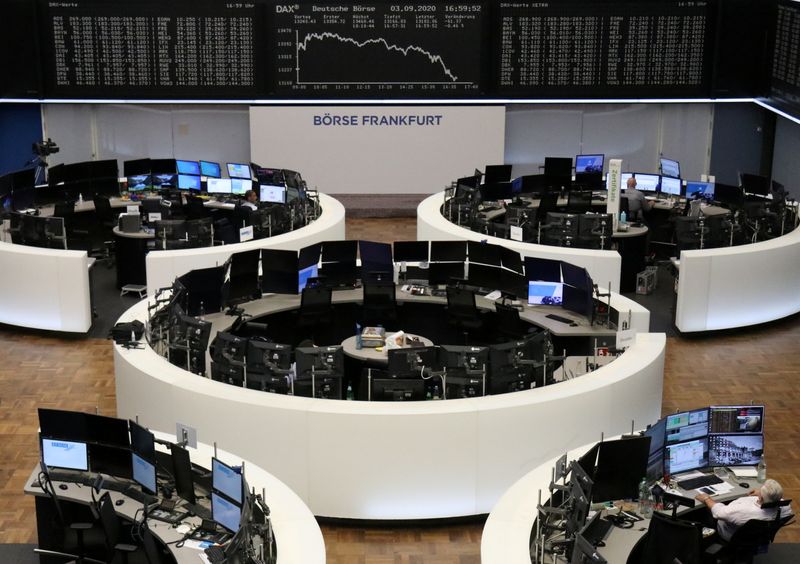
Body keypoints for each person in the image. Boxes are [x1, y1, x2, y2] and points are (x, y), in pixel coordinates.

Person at [695, 479, 794, 541]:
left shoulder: (742, 511)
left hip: (732, 536)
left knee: (703, 511)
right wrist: (762, 492)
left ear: (761, 498)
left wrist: (706, 498)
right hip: (758, 536)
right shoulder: (786, 508)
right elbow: (776, 499)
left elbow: (718, 513)